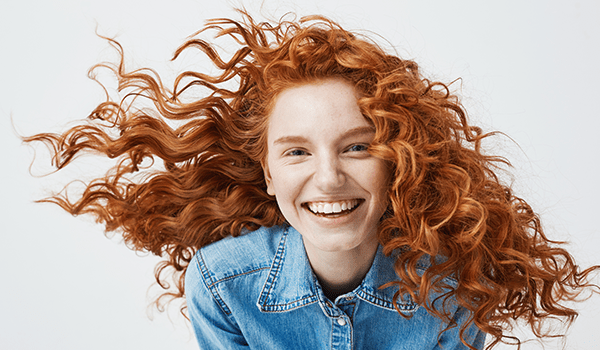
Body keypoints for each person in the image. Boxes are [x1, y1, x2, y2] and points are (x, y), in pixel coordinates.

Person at [23, 10, 598, 350]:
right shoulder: (223, 285)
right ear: (268, 173)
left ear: (396, 160)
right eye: (297, 152)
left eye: (356, 147)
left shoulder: (451, 287)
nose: (327, 177)